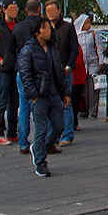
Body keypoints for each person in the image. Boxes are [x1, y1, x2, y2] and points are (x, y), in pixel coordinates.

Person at [17, 16, 69, 177]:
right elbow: (25, 75)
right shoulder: (28, 50)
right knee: (41, 129)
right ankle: (40, 162)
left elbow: (59, 71)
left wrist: (65, 92)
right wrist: (33, 95)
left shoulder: (52, 47)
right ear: (37, 31)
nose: (49, 30)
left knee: (59, 126)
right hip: (39, 96)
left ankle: (39, 149)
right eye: (46, 27)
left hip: (54, 94)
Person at [44, 0, 79, 146]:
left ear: (59, 11)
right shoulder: (44, 28)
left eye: (53, 11)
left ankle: (67, 135)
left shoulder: (68, 27)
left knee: (66, 102)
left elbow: (74, 49)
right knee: (51, 104)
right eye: (47, 12)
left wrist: (68, 67)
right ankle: (53, 135)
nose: (51, 15)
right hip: (49, 71)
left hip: (64, 69)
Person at [11, 0, 41, 153]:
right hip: (38, 71)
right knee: (40, 106)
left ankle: (23, 142)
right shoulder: (42, 25)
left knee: (23, 107)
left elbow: (11, 49)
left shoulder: (17, 27)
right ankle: (40, 141)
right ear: (39, 8)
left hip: (22, 71)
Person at [0, 0, 17, 144]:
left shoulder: (18, 25)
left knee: (14, 103)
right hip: (2, 69)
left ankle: (12, 132)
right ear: (4, 9)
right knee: (1, 101)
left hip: (15, 68)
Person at [76, 15, 102, 119]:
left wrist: (101, 62)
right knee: (83, 89)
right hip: (81, 64)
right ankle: (83, 110)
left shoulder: (93, 33)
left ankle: (93, 111)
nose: (88, 25)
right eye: (86, 23)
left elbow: (99, 48)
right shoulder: (77, 35)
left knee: (93, 89)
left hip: (93, 63)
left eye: (89, 22)